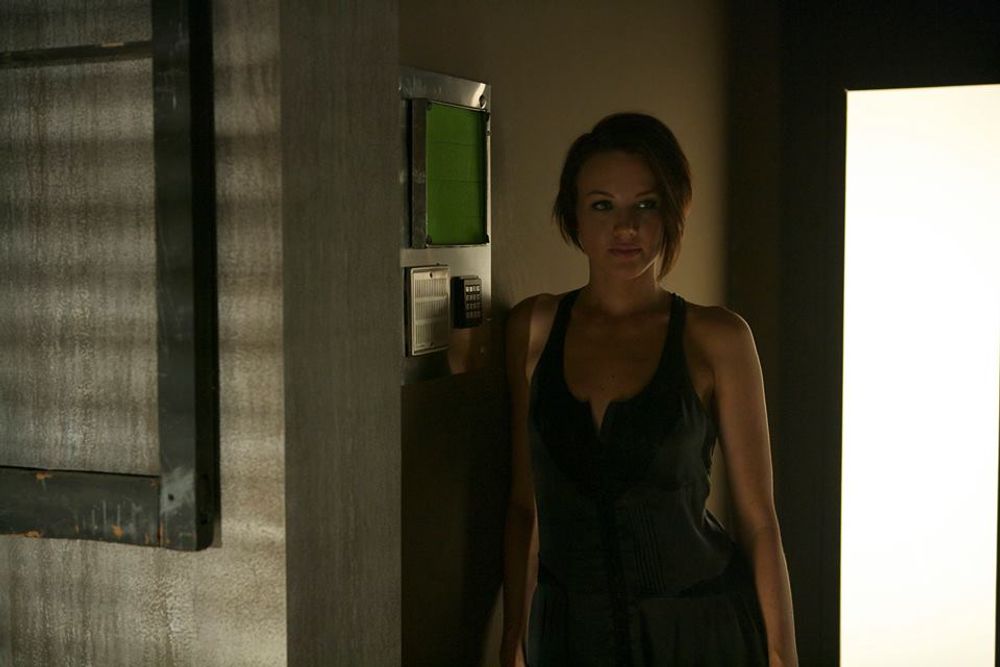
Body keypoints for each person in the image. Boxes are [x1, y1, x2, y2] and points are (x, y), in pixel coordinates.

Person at [500, 113, 797, 666]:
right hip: (569, 638)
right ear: (573, 215)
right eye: (602, 205)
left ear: (672, 212)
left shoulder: (717, 338)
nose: (626, 227)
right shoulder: (533, 329)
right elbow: (524, 506)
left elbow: (759, 521)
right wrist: (513, 639)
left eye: (646, 204)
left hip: (700, 634)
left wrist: (782, 657)